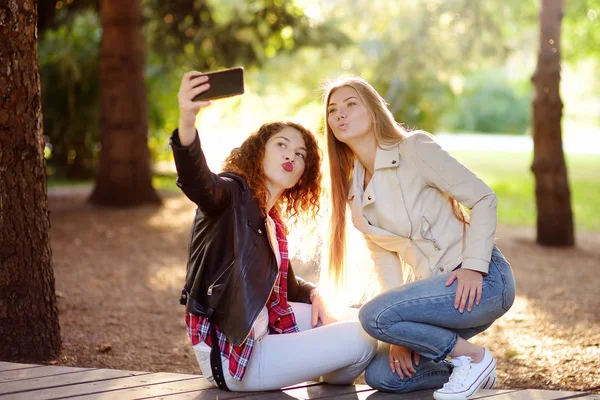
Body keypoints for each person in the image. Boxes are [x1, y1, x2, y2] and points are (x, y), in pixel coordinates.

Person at [171, 71, 377, 392]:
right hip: (235, 355)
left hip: (265, 332)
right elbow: (199, 182)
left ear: (302, 174)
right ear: (259, 152)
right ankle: (324, 368)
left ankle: (322, 367)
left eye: (300, 154)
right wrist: (187, 118)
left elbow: (287, 288)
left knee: (363, 319)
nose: (290, 156)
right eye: (282, 145)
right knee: (363, 336)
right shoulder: (232, 195)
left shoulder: (271, 219)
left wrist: (315, 294)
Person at [323, 76, 516, 400]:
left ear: (373, 111)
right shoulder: (354, 195)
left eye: (350, 104)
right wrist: (395, 332)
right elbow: (387, 265)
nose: (339, 114)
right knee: (384, 375)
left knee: (371, 314)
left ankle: (473, 358)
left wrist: (473, 266)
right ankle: (465, 366)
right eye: (332, 110)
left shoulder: (413, 148)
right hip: (436, 297)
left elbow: (483, 198)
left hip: (482, 281)